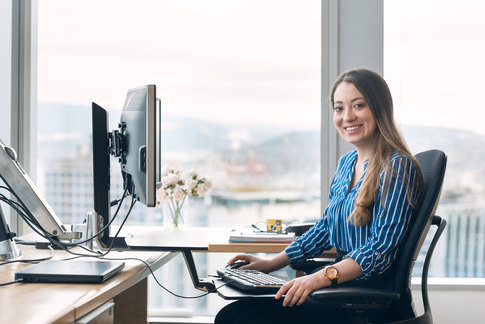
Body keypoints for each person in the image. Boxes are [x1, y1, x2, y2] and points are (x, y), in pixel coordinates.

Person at [215, 68, 423, 324]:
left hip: (360, 295)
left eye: (358, 105)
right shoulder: (348, 163)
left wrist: (318, 277)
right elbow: (324, 229)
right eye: (339, 108)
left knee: (238, 321)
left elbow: (380, 250)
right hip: (337, 284)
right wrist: (271, 263)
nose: (347, 116)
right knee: (231, 314)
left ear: (379, 108)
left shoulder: (397, 166)